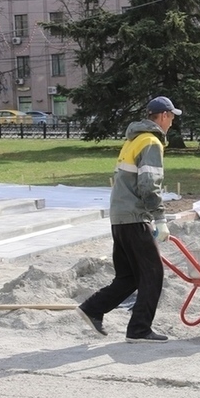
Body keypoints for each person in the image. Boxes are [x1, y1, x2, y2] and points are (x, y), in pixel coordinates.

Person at [76, 96, 182, 343]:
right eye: (172, 117)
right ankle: (139, 330)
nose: (173, 123)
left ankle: (93, 308)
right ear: (164, 116)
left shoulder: (133, 140)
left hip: (119, 217)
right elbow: (148, 183)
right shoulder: (151, 142)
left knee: (129, 277)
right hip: (134, 218)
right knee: (152, 274)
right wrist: (159, 218)